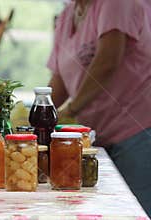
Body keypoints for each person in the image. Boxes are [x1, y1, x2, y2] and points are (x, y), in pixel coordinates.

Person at [47, 0, 151, 216]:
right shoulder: (68, 15)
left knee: (136, 212)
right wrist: (38, 115)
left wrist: (72, 109)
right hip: (99, 138)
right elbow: (59, 80)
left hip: (137, 131)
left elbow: (108, 61)